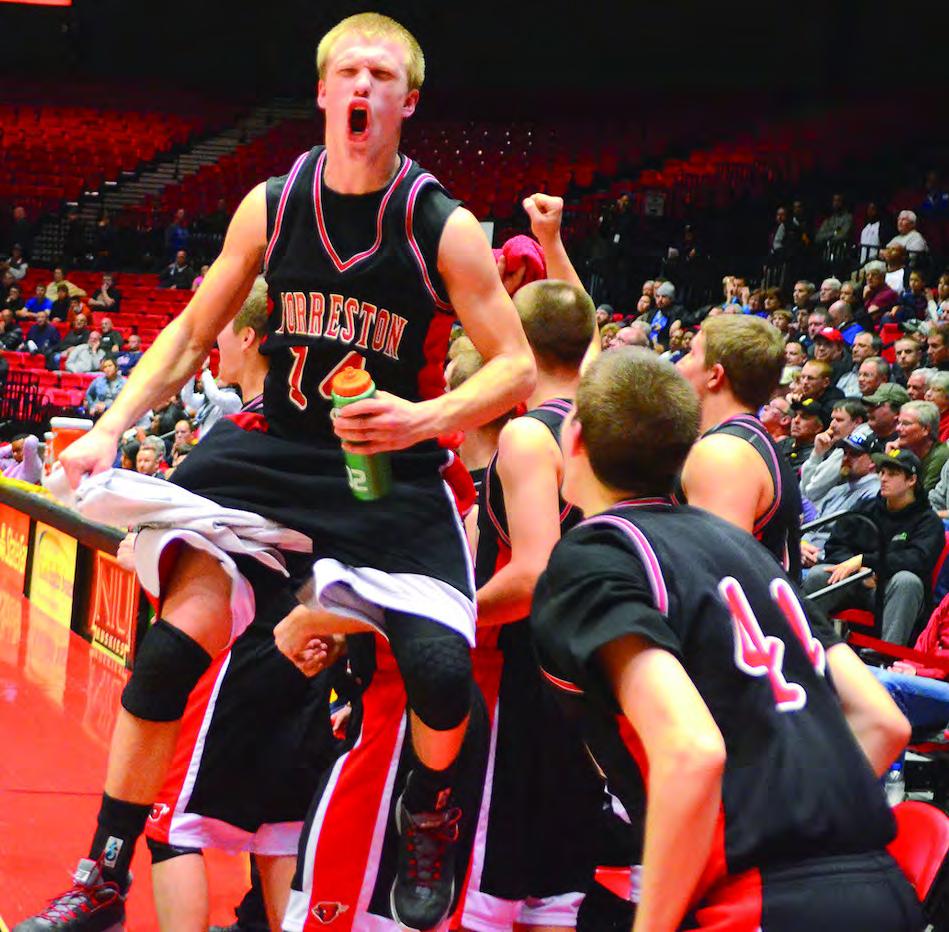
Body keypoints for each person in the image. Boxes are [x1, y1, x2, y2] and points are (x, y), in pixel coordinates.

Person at [17, 14, 534, 932]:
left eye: (382, 75)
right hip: (275, 451)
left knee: (439, 674)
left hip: (387, 467)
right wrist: (111, 426)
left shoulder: (440, 224)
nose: (364, 86)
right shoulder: (273, 202)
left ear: (408, 101)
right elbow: (189, 331)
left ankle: (428, 812)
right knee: (167, 655)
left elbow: (516, 366)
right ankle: (103, 872)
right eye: (350, 72)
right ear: (324, 92)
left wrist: (424, 417)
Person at [531, 347, 920, 931]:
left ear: (576, 436)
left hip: (758, 900)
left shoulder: (596, 553)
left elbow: (692, 751)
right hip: (882, 889)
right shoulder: (741, 546)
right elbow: (884, 723)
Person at [144, 279, 340, 932]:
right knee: (281, 831)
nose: (213, 344)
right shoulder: (322, 429)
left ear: (252, 337)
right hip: (310, 645)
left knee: (169, 823)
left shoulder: (245, 432)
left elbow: (167, 523)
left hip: (243, 647)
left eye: (223, 329)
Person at [460, 278, 602, 932]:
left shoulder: (528, 436)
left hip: (520, 669)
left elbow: (535, 573)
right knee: (557, 890)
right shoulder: (612, 424)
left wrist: (449, 618)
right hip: (593, 665)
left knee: (491, 882)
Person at [676, 315, 802, 580]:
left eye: (691, 354)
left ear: (715, 375)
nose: (679, 364)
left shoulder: (723, 454)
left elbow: (716, 580)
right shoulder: (747, 441)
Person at [804, 448, 944, 645]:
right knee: (818, 575)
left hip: (891, 589)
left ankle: (887, 653)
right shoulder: (866, 508)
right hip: (857, 582)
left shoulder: (928, 521)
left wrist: (869, 563)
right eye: (882, 472)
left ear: (911, 480)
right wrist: (860, 570)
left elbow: (917, 560)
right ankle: (806, 644)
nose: (883, 479)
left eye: (892, 474)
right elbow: (835, 545)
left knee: (907, 581)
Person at [800, 432, 880, 573]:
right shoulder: (836, 491)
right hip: (806, 557)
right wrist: (803, 545)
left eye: (854, 454)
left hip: (833, 565)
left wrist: (818, 556)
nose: (846, 458)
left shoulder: (875, 494)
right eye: (845, 453)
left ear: (872, 462)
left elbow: (851, 543)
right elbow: (813, 529)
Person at [800, 398, 869, 505]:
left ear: (857, 422)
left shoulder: (849, 448)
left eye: (839, 420)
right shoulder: (841, 442)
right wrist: (817, 453)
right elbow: (806, 491)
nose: (832, 425)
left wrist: (816, 457)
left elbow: (811, 492)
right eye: (833, 419)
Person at [891, 400, 949, 493]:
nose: (898, 428)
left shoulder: (941, 456)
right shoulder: (905, 451)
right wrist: (891, 457)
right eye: (898, 423)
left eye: (906, 424)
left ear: (925, 429)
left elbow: (922, 497)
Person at [863, 382, 910, 454]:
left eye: (876, 405)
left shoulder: (903, 447)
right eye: (869, 405)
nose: (868, 410)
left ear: (898, 413)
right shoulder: (869, 439)